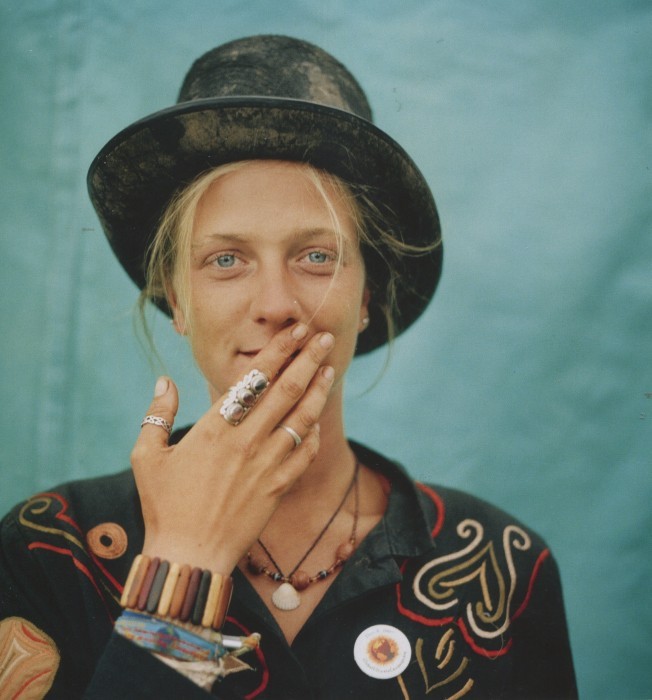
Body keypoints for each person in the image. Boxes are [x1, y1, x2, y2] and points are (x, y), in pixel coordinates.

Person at [0, 35, 577, 699]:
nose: (275, 304)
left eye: (316, 257)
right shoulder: (53, 549)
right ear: (177, 300)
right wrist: (184, 563)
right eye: (226, 260)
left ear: (366, 296)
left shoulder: (501, 565)